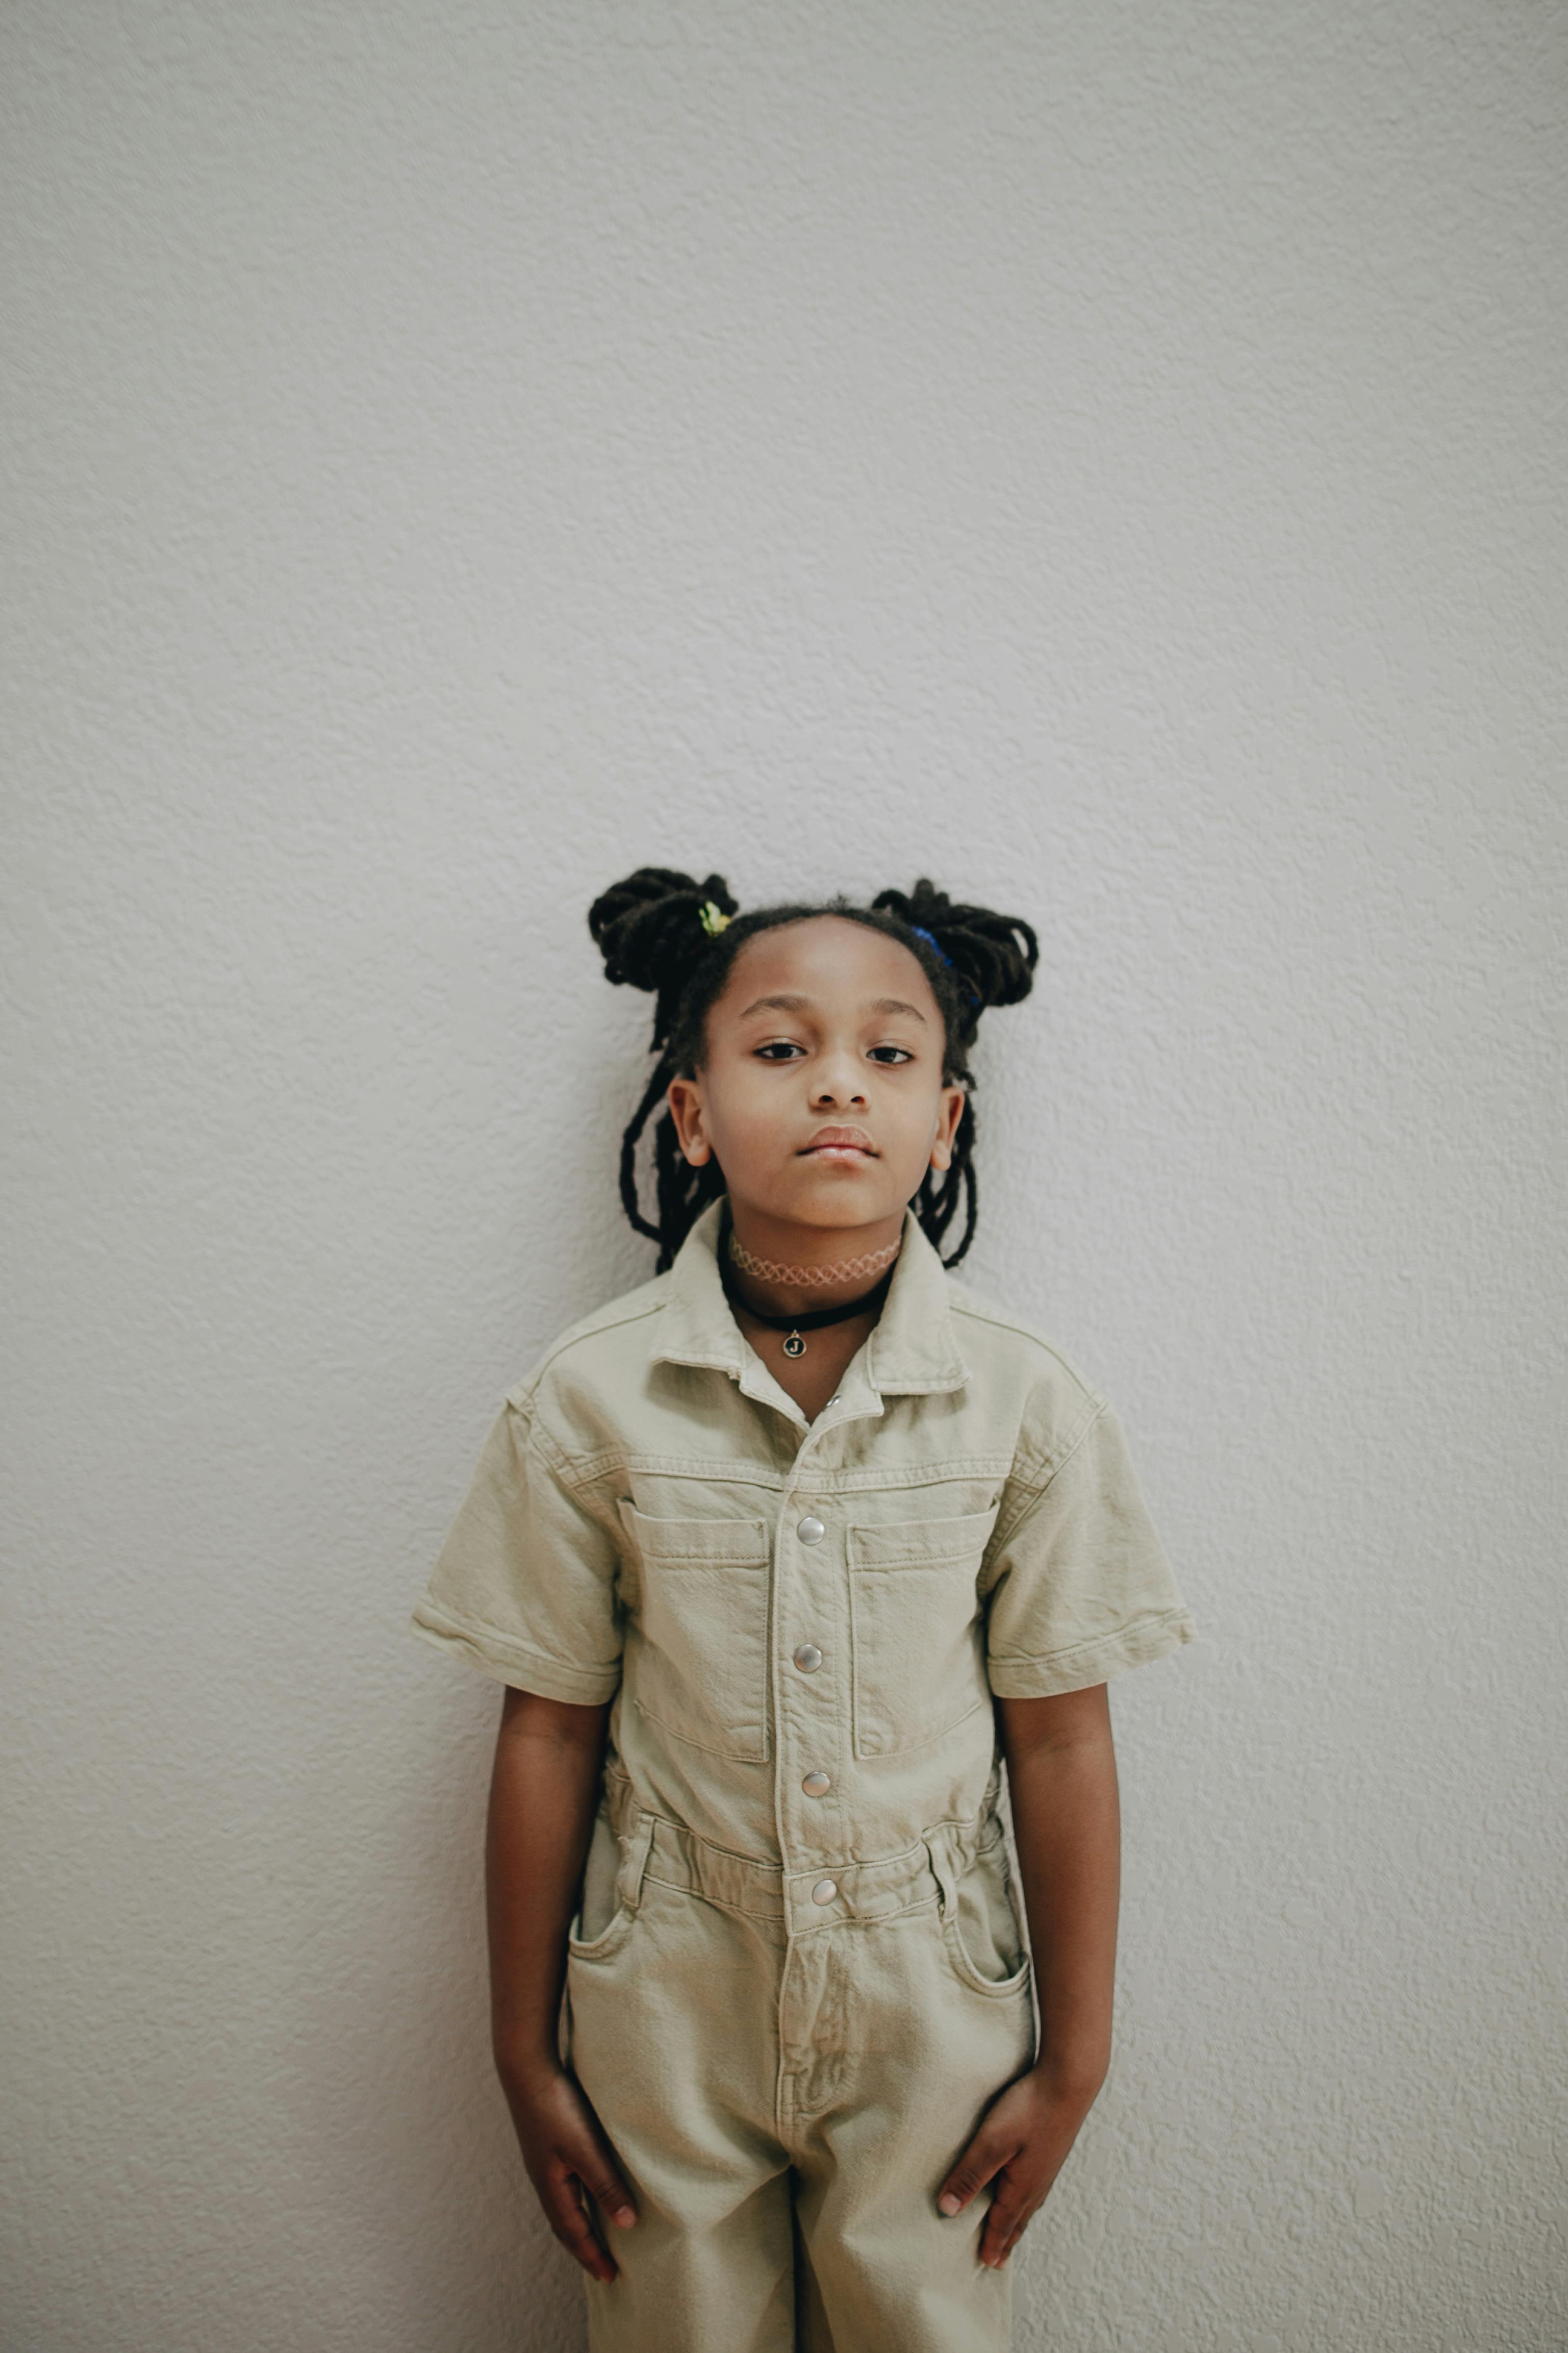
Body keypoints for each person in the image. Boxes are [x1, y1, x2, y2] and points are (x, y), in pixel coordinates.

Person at [408, 867, 1197, 2352]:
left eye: (889, 1053)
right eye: (780, 1048)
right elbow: (544, 1731)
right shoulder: (589, 1395)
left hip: (935, 2011)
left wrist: (1073, 2057)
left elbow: (1063, 1741)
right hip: (661, 2001)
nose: (838, 1084)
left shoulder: (1024, 1401)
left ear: (944, 1119)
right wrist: (522, 2054)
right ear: (692, 1111)